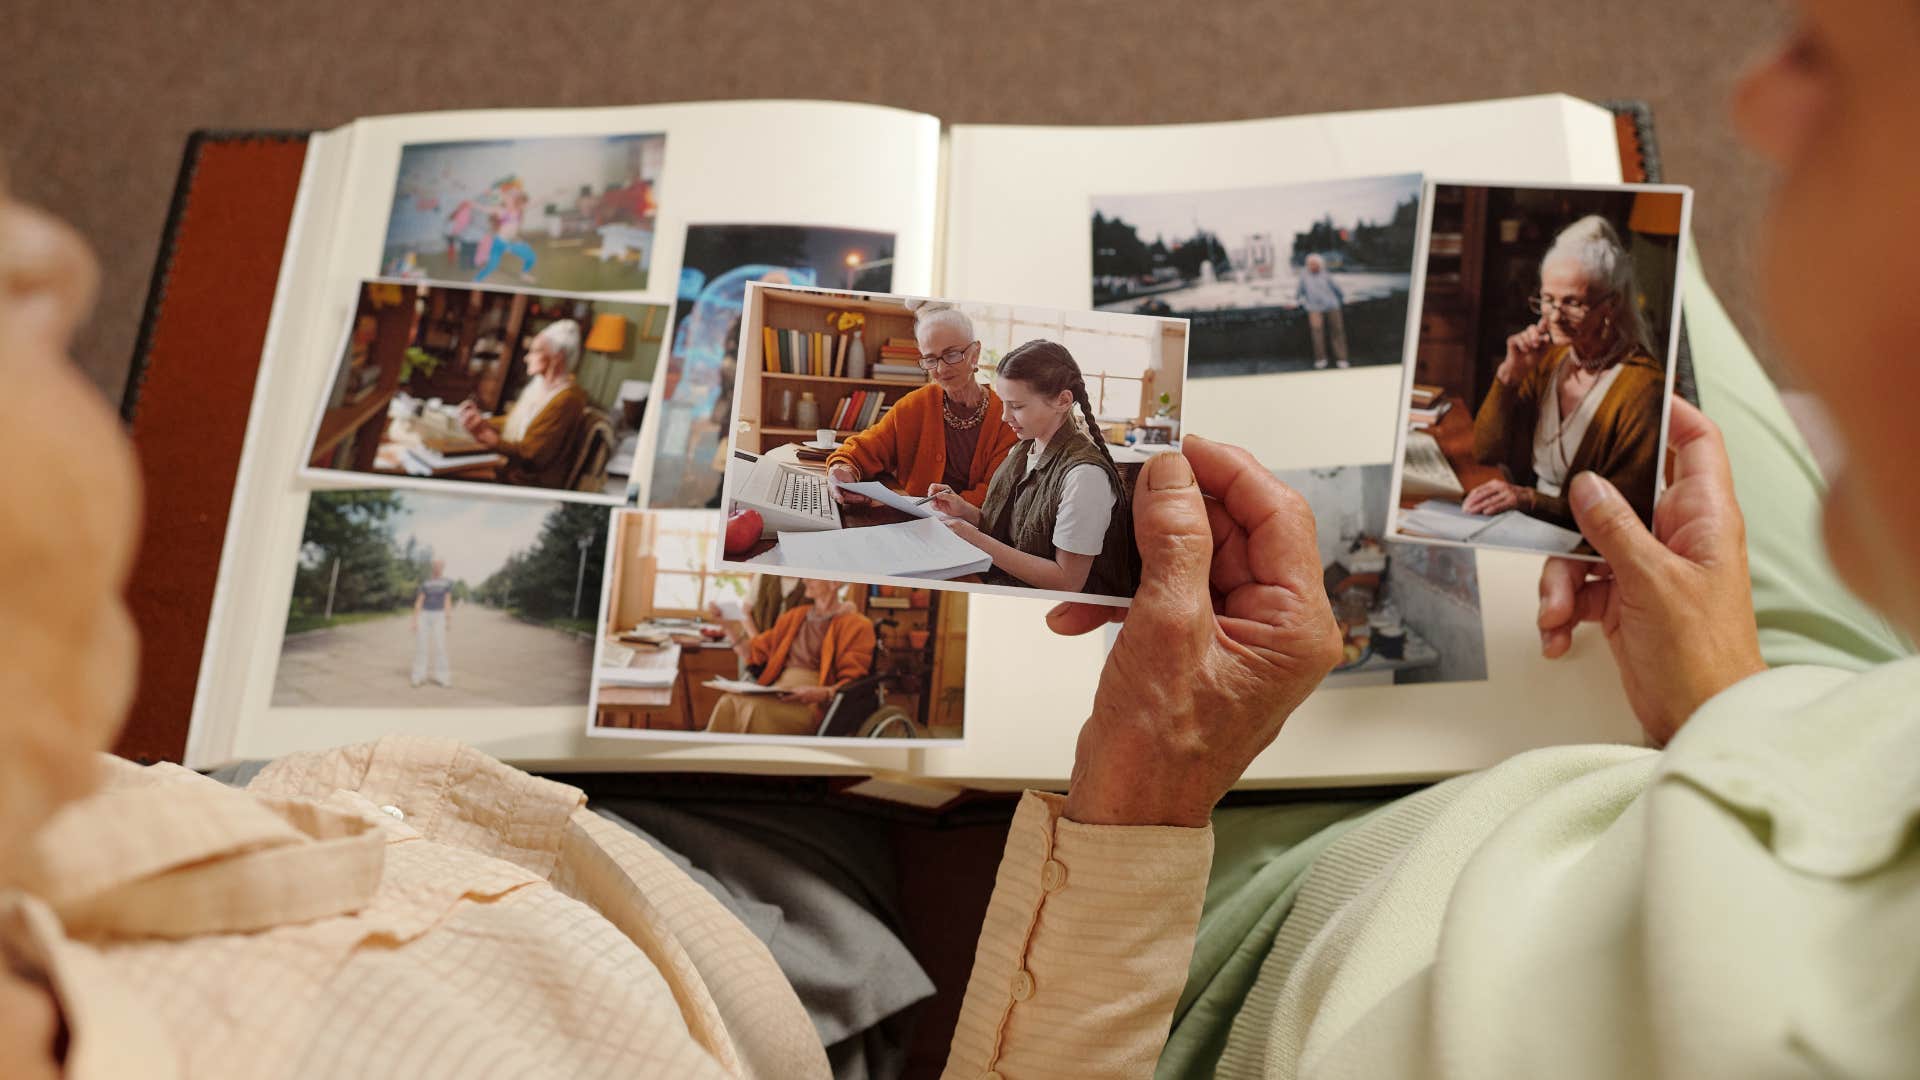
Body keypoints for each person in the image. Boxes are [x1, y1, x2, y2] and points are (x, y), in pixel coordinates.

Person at [1463, 215, 1666, 527]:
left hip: (1587, 543)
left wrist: (1531, 500)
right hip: (1530, 524)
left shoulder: (1643, 387)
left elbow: (1624, 516)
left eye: (1572, 302)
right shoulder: (1548, 359)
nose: (1555, 316)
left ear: (1610, 305)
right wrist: (1509, 377)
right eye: (1547, 299)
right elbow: (1486, 451)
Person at [929, 338, 1139, 596]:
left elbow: (1067, 582)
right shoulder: (1023, 448)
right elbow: (1017, 534)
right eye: (1003, 403)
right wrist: (966, 512)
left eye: (1016, 406)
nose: (1005, 416)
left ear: (1063, 401)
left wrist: (974, 537)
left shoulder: (1085, 477)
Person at [825, 300, 1018, 509]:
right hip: (913, 525)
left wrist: (945, 510)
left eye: (952, 354)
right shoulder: (914, 405)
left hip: (972, 530)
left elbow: (994, 493)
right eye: (931, 359)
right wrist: (843, 469)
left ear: (975, 353)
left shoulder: (1006, 418)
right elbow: (863, 450)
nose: (942, 369)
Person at [703, 579, 874, 736]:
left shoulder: (857, 625)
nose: (805, 580)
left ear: (834, 583)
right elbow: (752, 652)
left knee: (755, 709)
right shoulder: (794, 616)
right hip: (778, 692)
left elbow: (854, 681)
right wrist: (726, 626)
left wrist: (824, 693)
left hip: (811, 704)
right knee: (728, 702)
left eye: (813, 576)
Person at [457, 318, 590, 488]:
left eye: (535, 351)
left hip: (526, 481)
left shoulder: (568, 398)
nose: (527, 358)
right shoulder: (540, 386)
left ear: (557, 358)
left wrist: (494, 441)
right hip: (511, 468)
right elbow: (513, 422)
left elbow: (532, 455)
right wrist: (482, 421)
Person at [472, 179, 536, 284]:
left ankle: (524, 274)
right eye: (507, 198)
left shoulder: (519, 209)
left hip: (511, 242)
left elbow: (536, 202)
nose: (509, 200)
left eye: (512, 198)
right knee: (493, 265)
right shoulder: (501, 210)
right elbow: (485, 208)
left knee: (531, 257)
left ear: (516, 200)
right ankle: (476, 280)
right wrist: (473, 204)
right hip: (499, 242)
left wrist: (554, 194)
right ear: (505, 199)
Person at [1295, 252, 1350, 369]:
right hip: (1314, 308)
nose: (1312, 267)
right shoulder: (1304, 276)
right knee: (1317, 333)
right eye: (1310, 264)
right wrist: (1296, 301)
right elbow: (1300, 291)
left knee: (1337, 332)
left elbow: (1337, 288)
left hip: (1332, 306)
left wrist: (1343, 299)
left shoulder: (1326, 274)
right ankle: (1321, 359)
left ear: (1320, 265)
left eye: (1315, 264)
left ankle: (1342, 359)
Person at [409, 558, 455, 688]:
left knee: (441, 647)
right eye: (435, 565)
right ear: (432, 567)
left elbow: (447, 601)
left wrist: (448, 619)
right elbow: (419, 601)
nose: (437, 568)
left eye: (440, 565)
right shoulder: (426, 583)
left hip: (439, 615)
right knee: (421, 647)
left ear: (443, 567)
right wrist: (414, 621)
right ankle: (418, 677)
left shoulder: (447, 583)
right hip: (424, 615)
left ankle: (443, 678)